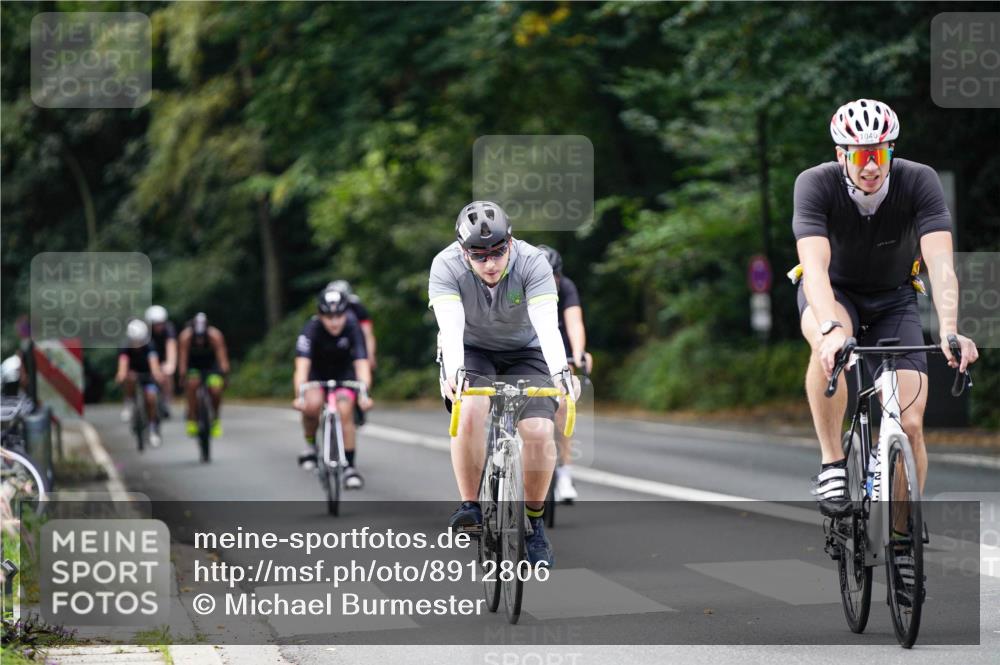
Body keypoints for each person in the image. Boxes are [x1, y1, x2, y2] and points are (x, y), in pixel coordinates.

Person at [792, 98, 979, 519]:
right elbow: (815, 270)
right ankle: (833, 462)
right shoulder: (814, 184)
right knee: (830, 350)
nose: (872, 166)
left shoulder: (918, 182)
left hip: (894, 298)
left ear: (891, 151)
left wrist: (950, 328)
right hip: (834, 294)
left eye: (880, 154)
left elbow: (942, 267)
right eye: (861, 156)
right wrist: (828, 330)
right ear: (842, 156)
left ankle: (898, 539)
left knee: (910, 426)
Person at [430, 201, 576, 568]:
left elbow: (547, 324)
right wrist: (455, 373)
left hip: (527, 350)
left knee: (541, 431)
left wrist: (561, 372)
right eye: (479, 257)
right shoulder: (444, 265)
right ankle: (470, 507)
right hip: (471, 349)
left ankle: (534, 520)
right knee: (471, 408)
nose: (490, 264)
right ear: (463, 253)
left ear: (510, 242)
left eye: (497, 252)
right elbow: (450, 326)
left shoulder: (532, 262)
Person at [293, 286, 374, 487]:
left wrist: (364, 392)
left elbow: (362, 364)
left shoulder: (353, 327)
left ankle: (349, 467)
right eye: (329, 317)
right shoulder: (311, 329)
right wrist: (299, 395)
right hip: (317, 374)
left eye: (339, 315)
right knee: (312, 405)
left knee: (345, 409)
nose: (335, 321)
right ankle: (311, 446)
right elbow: (301, 367)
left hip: (344, 374)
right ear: (320, 315)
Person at [537, 244, 593, 504]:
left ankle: (564, 472)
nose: (550, 282)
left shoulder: (567, 287)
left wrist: (579, 353)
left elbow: (574, 323)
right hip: (528, 347)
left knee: (563, 405)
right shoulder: (520, 284)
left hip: (559, 347)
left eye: (554, 277)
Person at [178, 313, 230, 440]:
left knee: (216, 389)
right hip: (193, 366)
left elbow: (222, 358)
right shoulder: (186, 337)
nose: (200, 341)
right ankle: (192, 417)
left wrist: (224, 374)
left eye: (202, 337)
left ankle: (215, 418)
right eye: (198, 337)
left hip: (211, 366)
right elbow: (183, 359)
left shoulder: (215, 336)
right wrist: (182, 375)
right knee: (192, 385)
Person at [115, 318, 165, 447]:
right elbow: (123, 363)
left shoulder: (149, 345)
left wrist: (157, 375)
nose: (137, 344)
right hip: (133, 374)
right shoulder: (125, 346)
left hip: (147, 375)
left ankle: (153, 428)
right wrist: (121, 374)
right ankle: (129, 401)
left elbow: (154, 364)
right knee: (129, 379)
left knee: (151, 399)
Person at [328, 280, 378, 371]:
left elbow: (367, 334)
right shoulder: (325, 310)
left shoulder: (357, 308)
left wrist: (370, 354)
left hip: (354, 345)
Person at [145, 305, 177, 418]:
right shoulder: (144, 332)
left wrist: (170, 364)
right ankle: (129, 401)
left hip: (162, 358)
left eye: (161, 323)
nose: (159, 326)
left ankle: (166, 401)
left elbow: (171, 346)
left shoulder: (169, 329)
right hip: (146, 359)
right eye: (156, 324)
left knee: (167, 374)